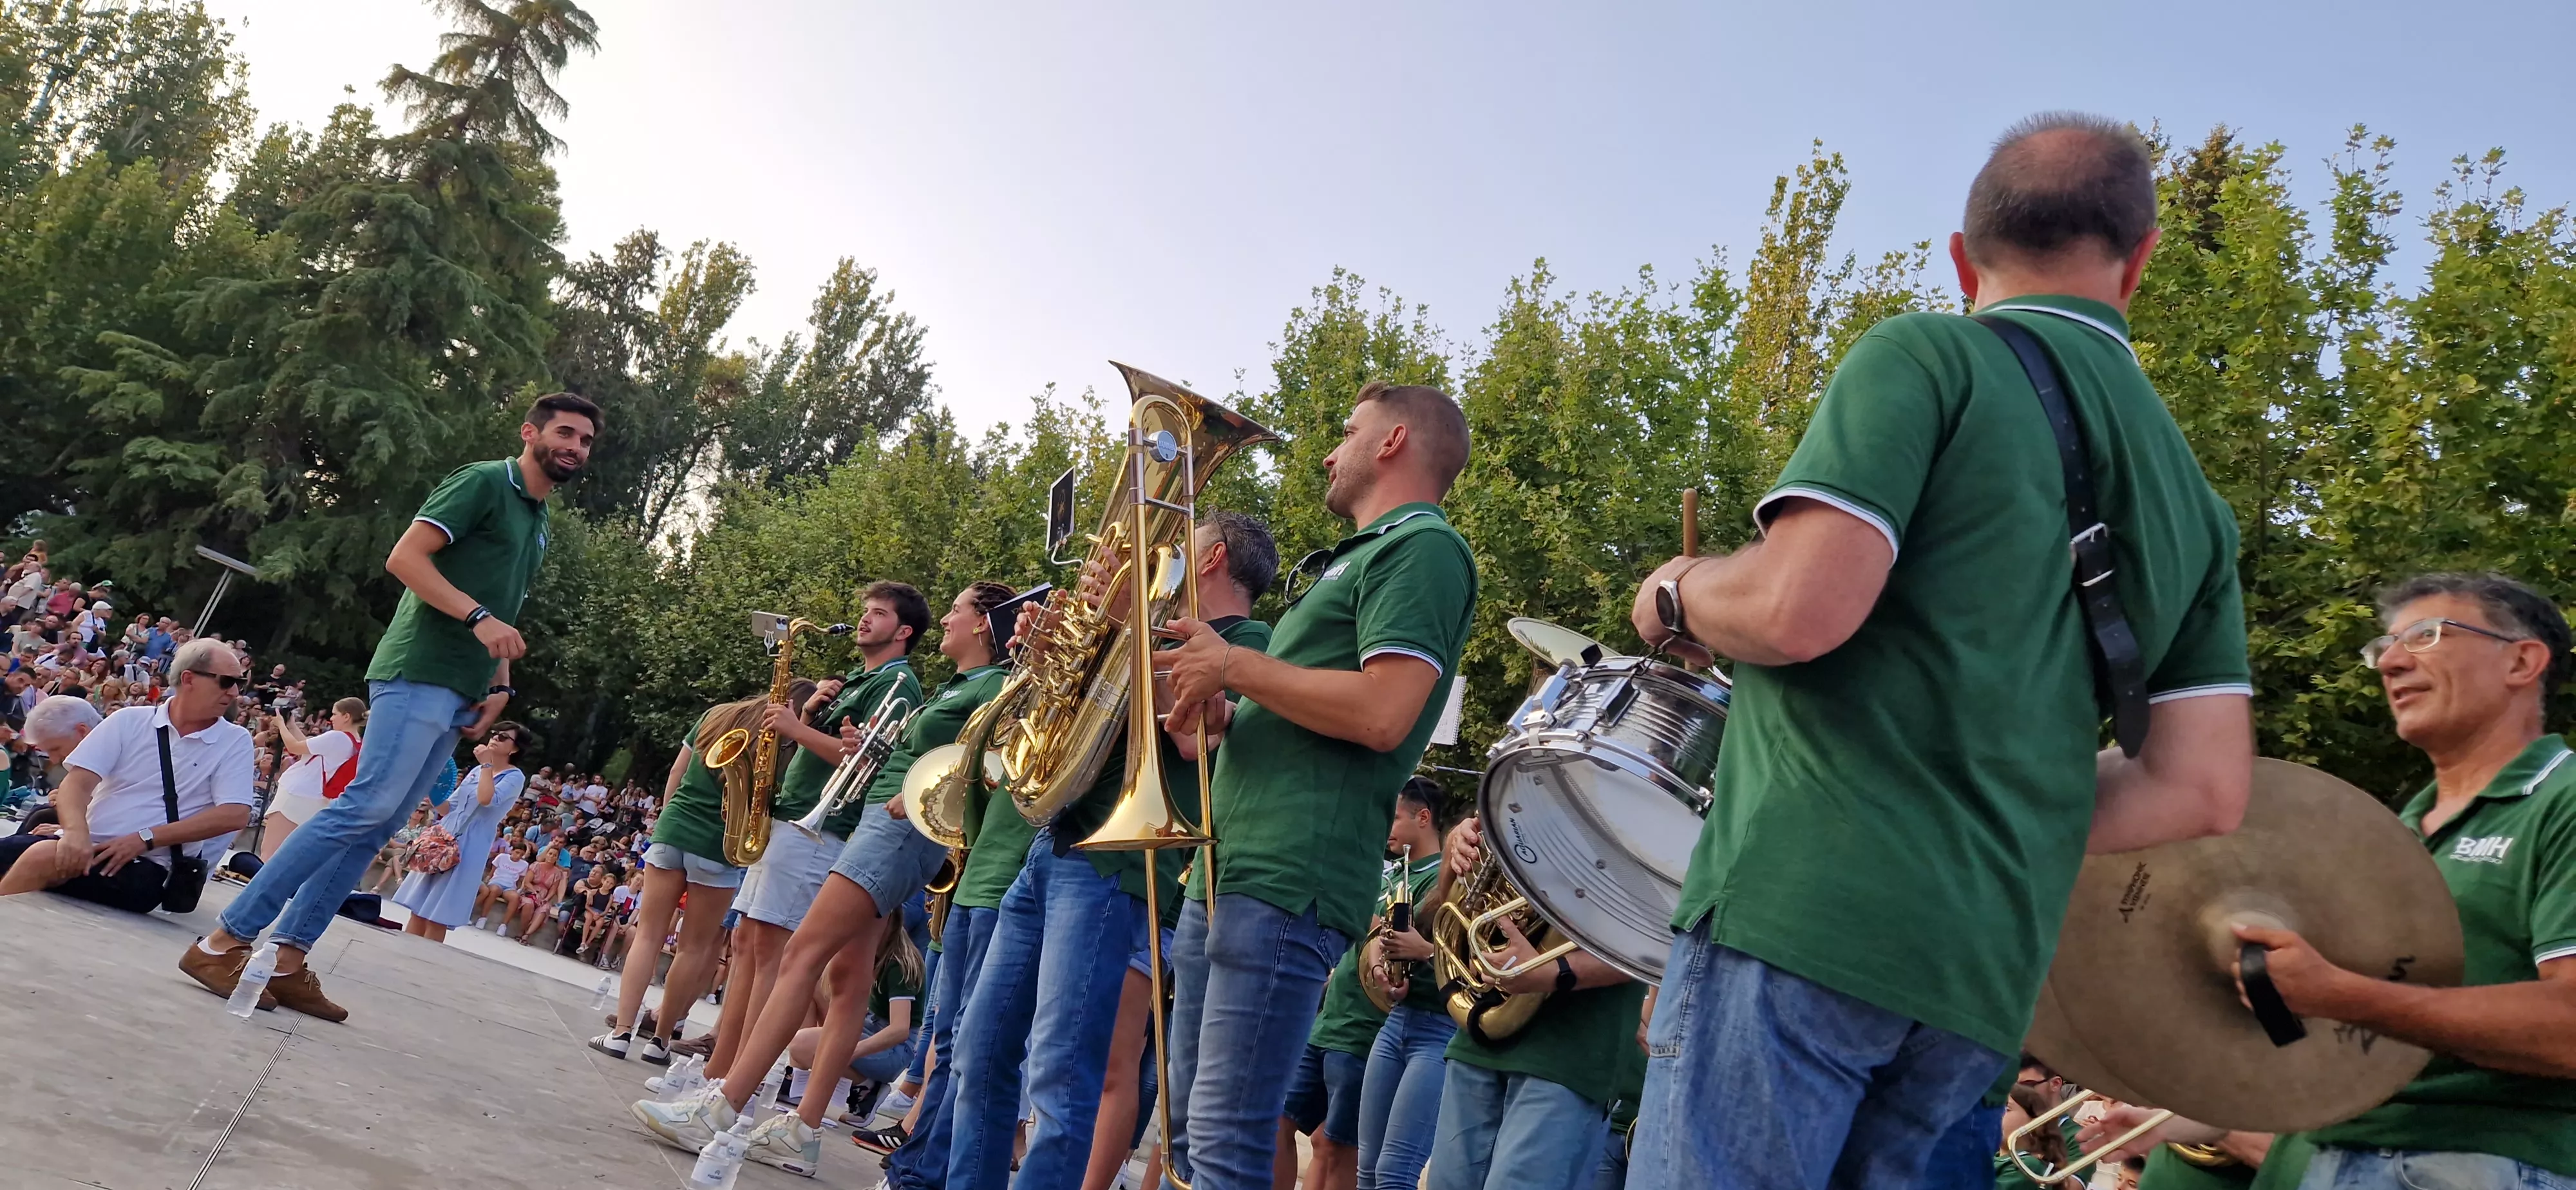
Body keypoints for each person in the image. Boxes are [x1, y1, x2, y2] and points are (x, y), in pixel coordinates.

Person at [1620, 113, 2255, 1189]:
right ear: (2138, 260)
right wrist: (2009, 793)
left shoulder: (1928, 354)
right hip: (1982, 980)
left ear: (1963, 257)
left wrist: (1675, 592)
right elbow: (2203, 785)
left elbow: (1795, 610)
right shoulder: (2196, 505)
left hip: (1804, 910)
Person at [2089, 572, 2575, 1189]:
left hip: (2472, 1161)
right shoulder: (2391, 835)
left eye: (2425, 637)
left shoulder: (2563, 800)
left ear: (2523, 661)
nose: (2391, 663)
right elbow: (2343, 1045)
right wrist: (2199, 1115)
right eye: (2384, 647)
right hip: (2325, 1156)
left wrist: (2340, 993)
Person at [1153, 380, 1479, 1190]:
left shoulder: (1424, 548)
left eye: (1346, 430)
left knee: (1226, 1139)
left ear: (1394, 441)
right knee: (1194, 1136)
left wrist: (1232, 664)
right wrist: (1227, 715)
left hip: (1284, 879)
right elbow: (1309, 710)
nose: (1331, 452)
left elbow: (1383, 714)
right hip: (1231, 870)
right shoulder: (1361, 557)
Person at [182, 392, 598, 1023]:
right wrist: (479, 621)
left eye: (585, 441)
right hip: (418, 669)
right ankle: (223, 941)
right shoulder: (485, 482)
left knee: (376, 825)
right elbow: (404, 558)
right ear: (530, 432)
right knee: (363, 807)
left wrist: (500, 683)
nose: (574, 447)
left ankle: (289, 961)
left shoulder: (537, 517)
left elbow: (501, 604)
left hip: (460, 685)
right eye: (564, 433)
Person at [940, 514, 1282, 1190]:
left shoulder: (1246, 643)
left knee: (1062, 1078)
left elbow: (1187, 736)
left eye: (1181, 543)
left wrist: (1122, 628)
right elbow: (1067, 721)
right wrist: (1050, 656)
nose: (1160, 555)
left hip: (1117, 867)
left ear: (1209, 558)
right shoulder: (1149, 629)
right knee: (977, 1057)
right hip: (1053, 847)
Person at [633, 581, 1018, 1176]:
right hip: (882, 825)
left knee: (800, 957)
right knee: (847, 977)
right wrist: (868, 749)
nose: (947, 617)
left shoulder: (991, 687)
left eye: (959, 610)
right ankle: (800, 1128)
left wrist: (918, 790)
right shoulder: (968, 685)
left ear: (984, 625)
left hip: (891, 831)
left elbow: (985, 767)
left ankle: (724, 1105)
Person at [713, 582, 930, 1077]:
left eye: (878, 614)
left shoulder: (897, 683)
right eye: (866, 611)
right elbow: (831, 743)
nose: (865, 620)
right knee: (747, 944)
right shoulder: (857, 678)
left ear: (904, 631)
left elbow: (865, 762)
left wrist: (794, 729)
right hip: (794, 818)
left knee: (771, 954)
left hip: (823, 827)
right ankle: (717, 1070)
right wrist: (809, 714)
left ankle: (737, 1080)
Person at [1422, 814, 1645, 1190]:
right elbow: (1456, 913)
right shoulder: (1525, 788)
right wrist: (1455, 859)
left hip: (1570, 1053)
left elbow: (1657, 945)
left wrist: (1551, 971)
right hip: (1479, 1039)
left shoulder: (1648, 810)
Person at [593, 690, 780, 1064]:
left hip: (673, 828)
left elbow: (677, 771)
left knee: (647, 935)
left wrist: (666, 818)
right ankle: (660, 1041)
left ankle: (621, 1033)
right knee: (694, 948)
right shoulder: (781, 739)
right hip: (719, 844)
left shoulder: (716, 715)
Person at [0, 646, 254, 909]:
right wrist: (75, 833)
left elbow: (233, 814)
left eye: (239, 683)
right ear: (189, 679)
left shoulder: (234, 741)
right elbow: (77, 783)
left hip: (148, 866)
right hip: (86, 845)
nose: (235, 692)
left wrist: (145, 838)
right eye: (227, 682)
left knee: (42, 856)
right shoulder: (129, 720)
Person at [1279, 781, 1441, 1190]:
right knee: (1278, 1124)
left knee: (1339, 1150)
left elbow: (1400, 945)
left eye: (1396, 817)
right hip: (1331, 1022)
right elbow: (1368, 943)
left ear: (1424, 819)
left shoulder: (1438, 879)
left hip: (1364, 1032)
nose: (1386, 827)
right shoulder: (1390, 873)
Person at [1347, 778, 1454, 1190]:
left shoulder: (1450, 875)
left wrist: (1424, 951)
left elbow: (1475, 964)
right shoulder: (1401, 874)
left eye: (1394, 816)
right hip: (1398, 1023)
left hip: (1439, 1030)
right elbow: (1380, 943)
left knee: (1395, 1173)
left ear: (1424, 818)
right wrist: (1379, 967)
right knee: (1368, 1169)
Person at [393, 727, 526, 943]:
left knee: (438, 914)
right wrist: (432, 791)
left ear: (515, 748)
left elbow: (486, 799)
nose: (495, 738)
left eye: (503, 737)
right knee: (418, 908)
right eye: (494, 733)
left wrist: (486, 765)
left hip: (470, 845)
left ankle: (422, 962)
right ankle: (402, 953)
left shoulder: (514, 776)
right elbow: (449, 808)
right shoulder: (476, 771)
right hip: (443, 837)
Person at [258, 696, 368, 860]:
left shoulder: (337, 737)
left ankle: (261, 886)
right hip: (315, 800)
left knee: (270, 851)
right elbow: (307, 747)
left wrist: (281, 725)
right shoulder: (356, 743)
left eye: (335, 714)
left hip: (296, 795)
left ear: (347, 716)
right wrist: (291, 725)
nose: (331, 718)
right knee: (288, 855)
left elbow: (294, 747)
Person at [507, 844, 569, 941]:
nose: (552, 856)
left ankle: (527, 935)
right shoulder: (536, 866)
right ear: (546, 854)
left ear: (557, 858)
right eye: (550, 854)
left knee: (544, 909)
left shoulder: (558, 873)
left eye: (555, 855)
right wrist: (535, 893)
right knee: (529, 904)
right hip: (530, 891)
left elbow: (553, 889)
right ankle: (521, 931)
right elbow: (527, 882)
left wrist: (546, 899)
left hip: (544, 896)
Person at [469, 836, 529, 918]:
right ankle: (483, 918)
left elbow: (521, 880)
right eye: (517, 853)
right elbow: (492, 872)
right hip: (496, 882)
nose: (518, 856)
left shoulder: (524, 864)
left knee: (515, 898)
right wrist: (488, 879)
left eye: (521, 855)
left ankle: (503, 926)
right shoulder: (502, 857)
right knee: (494, 890)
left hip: (510, 887)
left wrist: (519, 889)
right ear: (512, 851)